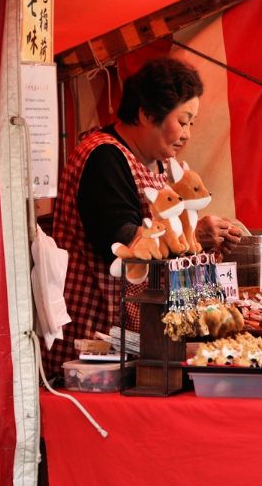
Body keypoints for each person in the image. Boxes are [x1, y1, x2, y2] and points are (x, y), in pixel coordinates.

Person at [46, 57, 242, 377]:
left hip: (137, 335)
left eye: (192, 123)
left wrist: (196, 237)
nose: (188, 134)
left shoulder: (158, 163)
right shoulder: (104, 157)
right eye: (183, 121)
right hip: (97, 341)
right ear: (146, 114)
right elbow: (123, 241)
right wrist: (190, 234)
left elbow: (162, 225)